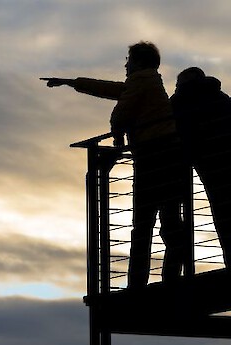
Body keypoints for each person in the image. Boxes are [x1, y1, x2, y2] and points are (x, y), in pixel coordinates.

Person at [45, 42, 188, 289]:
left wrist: (117, 133)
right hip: (169, 157)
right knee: (170, 222)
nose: (125, 64)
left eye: (128, 59)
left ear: (139, 62)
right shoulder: (148, 80)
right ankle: (173, 278)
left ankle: (137, 285)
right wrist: (71, 82)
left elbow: (120, 112)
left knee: (143, 224)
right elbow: (112, 90)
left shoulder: (142, 79)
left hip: (154, 158)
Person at [171, 66, 231, 268]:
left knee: (223, 216)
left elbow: (173, 127)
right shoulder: (221, 98)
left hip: (209, 165)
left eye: (177, 84)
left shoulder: (182, 101)